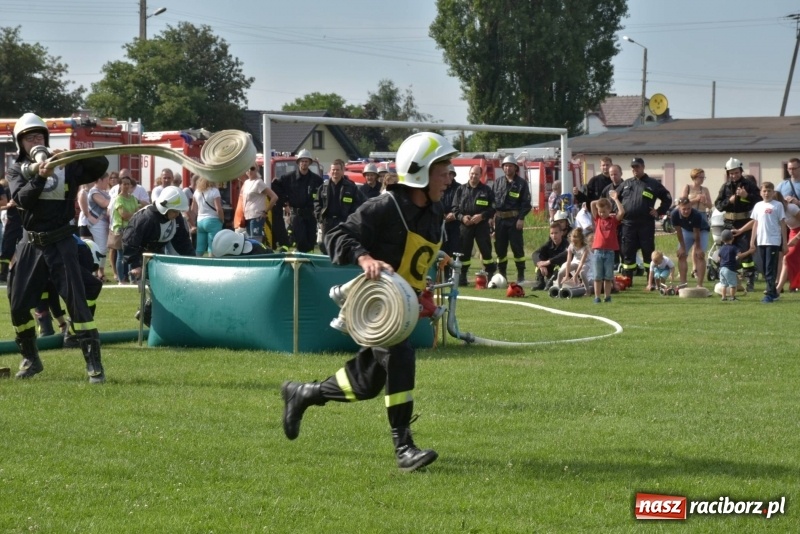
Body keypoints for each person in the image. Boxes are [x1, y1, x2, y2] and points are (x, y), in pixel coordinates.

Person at [281, 131, 458, 473]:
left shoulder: (435, 211)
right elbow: (336, 234)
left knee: (365, 384)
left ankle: (303, 393)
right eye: (444, 171)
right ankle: (404, 446)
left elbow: (416, 261)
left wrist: (421, 292)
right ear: (420, 173)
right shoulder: (384, 207)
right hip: (377, 307)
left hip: (399, 310)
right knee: (401, 358)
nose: (450, 178)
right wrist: (364, 258)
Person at [6, 112, 109, 383]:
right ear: (20, 143)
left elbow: (100, 165)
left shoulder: (66, 164)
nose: (35, 141)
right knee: (17, 305)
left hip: (61, 241)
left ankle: (93, 365)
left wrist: (75, 155)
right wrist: (40, 176)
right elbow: (23, 199)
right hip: (31, 243)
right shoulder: (17, 168)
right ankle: (31, 358)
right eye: (30, 138)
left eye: (40, 136)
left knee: (77, 304)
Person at [616, 158, 672, 281]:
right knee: (627, 253)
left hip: (646, 224)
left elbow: (667, 198)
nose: (635, 169)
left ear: (643, 167)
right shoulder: (626, 184)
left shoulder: (653, 183)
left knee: (648, 253)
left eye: (637, 167)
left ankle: (651, 280)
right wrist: (617, 213)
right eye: (633, 167)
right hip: (628, 224)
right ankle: (627, 280)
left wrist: (659, 211)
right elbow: (614, 198)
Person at [714, 157, 761, 291]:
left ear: (741, 171)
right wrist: (729, 201)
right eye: (731, 173)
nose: (734, 175)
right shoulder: (725, 187)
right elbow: (718, 205)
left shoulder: (749, 185)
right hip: (728, 223)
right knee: (726, 253)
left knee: (745, 252)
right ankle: (727, 280)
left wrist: (747, 196)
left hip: (744, 223)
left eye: (736, 172)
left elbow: (759, 201)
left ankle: (750, 281)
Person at [272, 149, 323, 253]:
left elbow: (322, 195)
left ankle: (309, 264)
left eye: (306, 161)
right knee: (301, 240)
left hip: (311, 215)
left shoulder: (316, 180)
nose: (304, 163)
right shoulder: (288, 178)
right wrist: (285, 202)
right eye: (302, 161)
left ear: (309, 163)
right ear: (298, 162)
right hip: (297, 215)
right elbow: (276, 186)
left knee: (310, 241)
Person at [452, 164, 496, 285]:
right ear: (469, 174)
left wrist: (482, 216)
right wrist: (462, 217)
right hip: (465, 225)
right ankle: (462, 276)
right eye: (472, 173)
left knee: (485, 251)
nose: (474, 176)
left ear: (480, 176)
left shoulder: (486, 190)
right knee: (464, 251)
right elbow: (455, 208)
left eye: (476, 174)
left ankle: (490, 275)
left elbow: (493, 208)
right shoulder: (460, 190)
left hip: (481, 225)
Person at [492, 155, 531, 283]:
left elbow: (526, 203)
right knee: (500, 248)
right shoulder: (497, 182)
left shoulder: (521, 184)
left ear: (515, 168)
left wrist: (521, 218)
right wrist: (491, 218)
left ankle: (521, 275)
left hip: (514, 220)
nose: (507, 168)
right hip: (499, 221)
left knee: (517, 248)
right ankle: (502, 274)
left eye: (510, 165)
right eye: (505, 165)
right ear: (503, 168)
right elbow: (492, 202)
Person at [315, 159, 363, 255]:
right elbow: (317, 203)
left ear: (342, 171)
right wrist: (320, 218)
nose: (335, 172)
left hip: (343, 222)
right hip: (327, 222)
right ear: (330, 171)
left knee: (341, 246)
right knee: (325, 246)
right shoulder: (323, 187)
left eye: (337, 170)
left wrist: (351, 219)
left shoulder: (351, 187)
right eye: (333, 170)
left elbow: (357, 204)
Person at [749, 182, 786, 303]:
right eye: (764, 191)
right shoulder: (758, 206)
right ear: (761, 192)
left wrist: (784, 242)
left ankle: (770, 294)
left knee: (770, 267)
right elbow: (755, 223)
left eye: (769, 191)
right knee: (762, 267)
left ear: (773, 192)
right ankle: (774, 291)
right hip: (761, 240)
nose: (767, 193)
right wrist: (752, 241)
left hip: (773, 240)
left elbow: (782, 224)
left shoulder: (777, 205)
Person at [590, 191, 625, 302]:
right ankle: (597, 297)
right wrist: (602, 201)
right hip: (598, 252)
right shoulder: (598, 219)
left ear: (609, 210)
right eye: (600, 211)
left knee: (608, 276)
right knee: (597, 276)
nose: (601, 214)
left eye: (604, 211)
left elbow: (622, 212)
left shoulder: (613, 220)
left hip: (609, 252)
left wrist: (615, 199)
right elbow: (592, 204)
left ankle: (607, 296)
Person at [670, 197, 710, 286]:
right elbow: (679, 231)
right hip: (686, 231)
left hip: (702, 231)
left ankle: (699, 285)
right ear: (679, 208)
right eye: (684, 209)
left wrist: (698, 248)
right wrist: (682, 248)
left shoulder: (696, 214)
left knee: (699, 256)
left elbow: (697, 233)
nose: (686, 211)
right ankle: (683, 283)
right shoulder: (674, 214)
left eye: (688, 208)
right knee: (681, 255)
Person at [109, 176, 139, 284]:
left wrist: (133, 215)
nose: (126, 186)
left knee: (132, 254)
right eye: (124, 184)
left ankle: (133, 278)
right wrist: (134, 215)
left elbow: (137, 211)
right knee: (121, 254)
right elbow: (123, 215)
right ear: (120, 185)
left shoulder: (133, 198)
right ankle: (121, 279)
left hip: (131, 228)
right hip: (121, 229)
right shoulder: (118, 199)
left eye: (128, 184)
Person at [240, 166, 278, 245]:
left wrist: (266, 211)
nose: (249, 170)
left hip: (257, 215)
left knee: (255, 240)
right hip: (247, 216)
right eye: (247, 168)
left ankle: (258, 255)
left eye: (252, 168)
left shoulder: (259, 182)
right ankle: (253, 256)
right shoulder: (246, 182)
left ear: (257, 169)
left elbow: (274, 197)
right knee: (249, 240)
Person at [191, 177, 225, 256]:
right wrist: (222, 220)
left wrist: (192, 224)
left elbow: (193, 209)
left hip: (200, 221)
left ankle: (197, 263)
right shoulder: (215, 191)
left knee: (199, 247)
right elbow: (219, 209)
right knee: (212, 247)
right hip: (213, 220)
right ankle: (211, 265)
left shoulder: (197, 192)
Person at [87, 172, 111, 281]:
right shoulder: (94, 192)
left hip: (104, 222)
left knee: (103, 248)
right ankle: (97, 271)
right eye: (106, 180)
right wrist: (117, 199)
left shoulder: (104, 192)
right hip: (96, 223)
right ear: (100, 180)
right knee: (101, 247)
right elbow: (105, 203)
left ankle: (98, 271)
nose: (108, 182)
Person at [532, 222, 569, 291]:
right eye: (552, 233)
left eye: (556, 233)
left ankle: (551, 283)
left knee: (560, 266)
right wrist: (541, 265)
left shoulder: (567, 244)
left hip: (562, 272)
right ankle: (540, 282)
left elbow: (564, 255)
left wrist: (549, 262)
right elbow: (535, 254)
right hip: (549, 270)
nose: (554, 236)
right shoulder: (548, 244)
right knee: (539, 262)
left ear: (561, 233)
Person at [556, 228, 592, 292]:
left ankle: (587, 291)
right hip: (576, 261)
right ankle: (559, 290)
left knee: (582, 273)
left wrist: (575, 275)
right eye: (572, 237)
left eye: (575, 238)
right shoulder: (571, 245)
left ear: (580, 239)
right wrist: (567, 275)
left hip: (586, 263)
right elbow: (568, 261)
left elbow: (581, 263)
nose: (573, 240)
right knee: (560, 273)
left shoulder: (585, 248)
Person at [718, 229, 741, 301]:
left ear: (722, 239)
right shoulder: (734, 248)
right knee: (732, 285)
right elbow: (739, 255)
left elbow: (719, 257)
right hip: (730, 269)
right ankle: (732, 297)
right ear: (732, 238)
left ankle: (723, 297)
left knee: (723, 284)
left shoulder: (721, 248)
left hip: (722, 269)